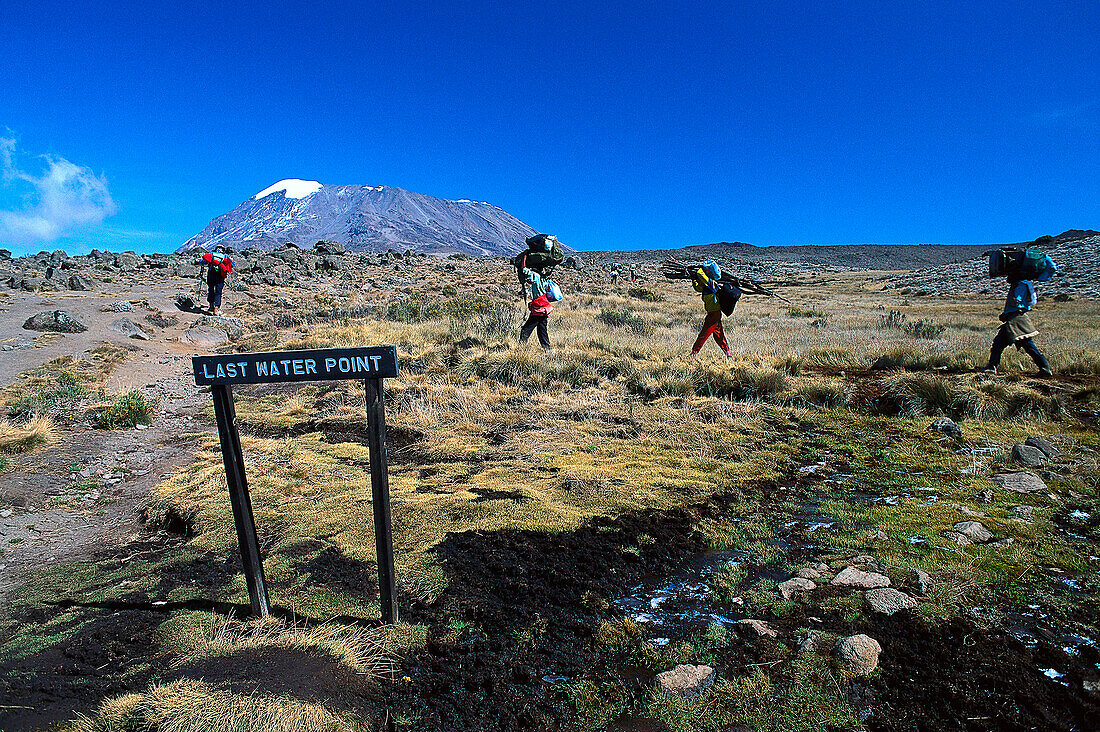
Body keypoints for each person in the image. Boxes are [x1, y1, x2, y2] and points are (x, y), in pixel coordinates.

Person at [983, 275, 1051, 376]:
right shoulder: (1023, 283)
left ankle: (1045, 368)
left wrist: (1009, 309)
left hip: (1016, 320)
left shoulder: (1020, 285)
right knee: (1000, 343)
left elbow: (1017, 303)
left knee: (1026, 345)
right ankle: (992, 367)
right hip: (1015, 319)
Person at [690, 260, 731, 358]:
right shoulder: (706, 286)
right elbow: (697, 288)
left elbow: (700, 273)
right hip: (713, 313)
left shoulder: (711, 284)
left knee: (704, 334)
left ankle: (694, 353)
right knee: (718, 335)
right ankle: (728, 353)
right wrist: (694, 279)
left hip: (714, 313)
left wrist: (700, 268)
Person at [519, 267, 557, 349]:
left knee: (525, 330)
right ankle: (547, 349)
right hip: (545, 307)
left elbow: (524, 270)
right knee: (542, 330)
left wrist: (524, 260)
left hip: (538, 308)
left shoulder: (535, 276)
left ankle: (520, 350)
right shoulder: (545, 278)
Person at [201, 246, 234, 315]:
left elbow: (202, 261)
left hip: (211, 274)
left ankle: (211, 306)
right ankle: (217, 308)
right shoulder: (225, 256)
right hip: (220, 275)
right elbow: (232, 264)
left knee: (210, 289)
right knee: (218, 291)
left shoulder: (211, 254)